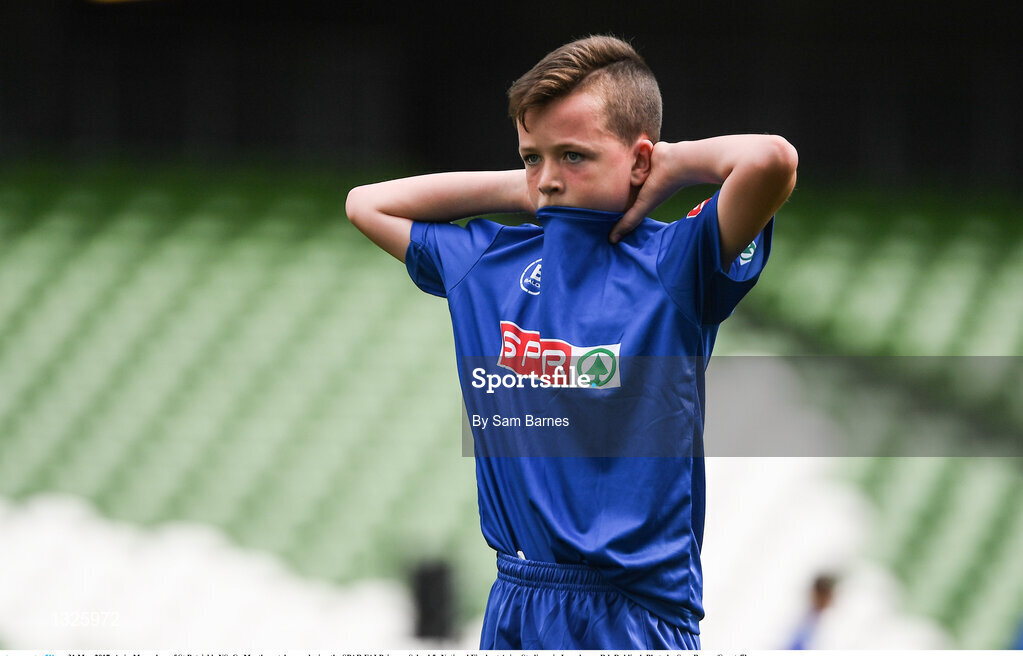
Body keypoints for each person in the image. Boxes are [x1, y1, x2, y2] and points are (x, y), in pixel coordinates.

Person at [346, 34, 797, 649]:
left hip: (635, 613)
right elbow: (366, 204)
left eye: (574, 156)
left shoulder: (676, 261)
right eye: (534, 155)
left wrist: (675, 164)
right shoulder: (492, 261)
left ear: (640, 162)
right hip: (517, 600)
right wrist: (525, 186)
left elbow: (772, 161)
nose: (551, 178)